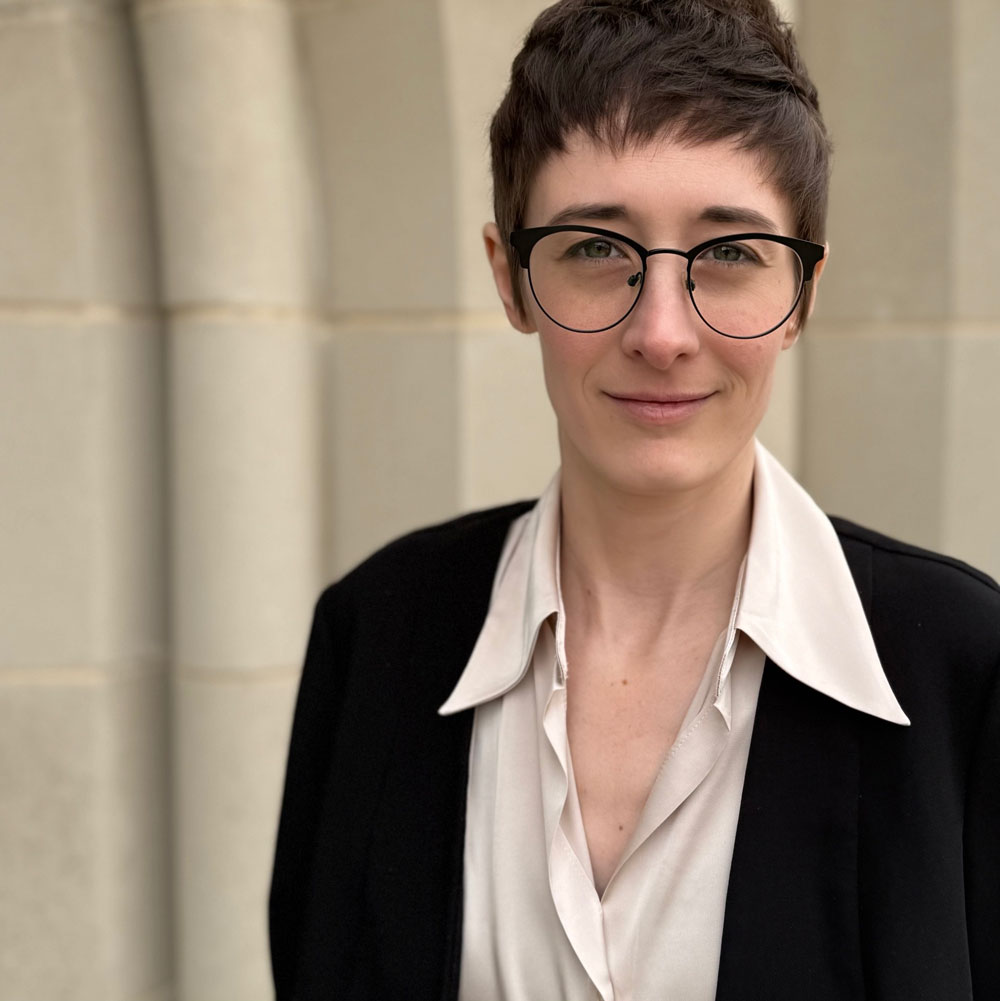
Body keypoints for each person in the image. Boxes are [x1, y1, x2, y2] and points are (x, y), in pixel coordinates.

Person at [269, 1, 1000, 998]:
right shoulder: (375, 631)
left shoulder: (966, 665)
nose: (662, 332)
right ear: (511, 279)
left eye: (730, 254)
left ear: (804, 293)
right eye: (595, 249)